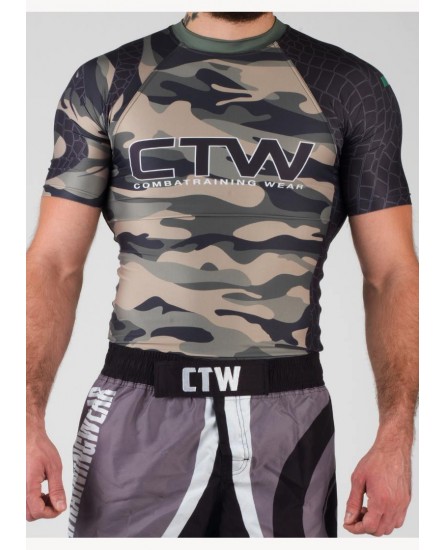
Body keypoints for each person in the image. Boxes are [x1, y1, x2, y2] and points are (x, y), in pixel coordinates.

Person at [26, 12, 418, 538]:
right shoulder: (108, 79)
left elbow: (392, 273)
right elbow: (53, 264)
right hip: (140, 410)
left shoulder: (350, 85)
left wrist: (396, 437)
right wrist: (23, 420)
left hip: (288, 418)